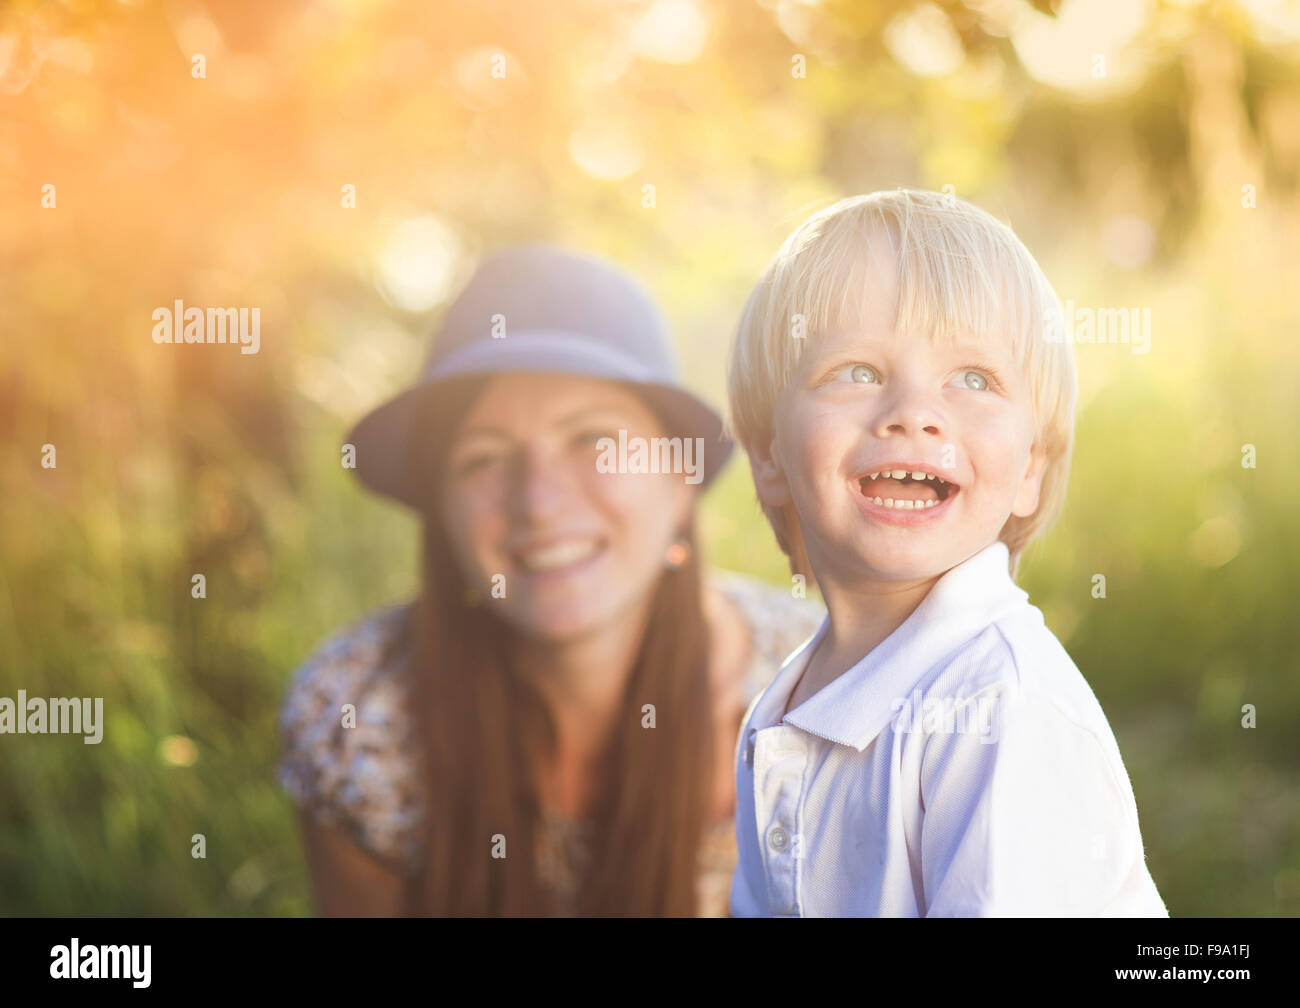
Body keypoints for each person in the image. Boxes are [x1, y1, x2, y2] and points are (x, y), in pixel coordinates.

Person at [276, 243, 825, 916]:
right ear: (441, 507)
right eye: (483, 458)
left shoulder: (826, 695)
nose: (537, 500)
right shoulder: (356, 719)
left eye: (592, 439)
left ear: (680, 481)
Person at [724, 189, 1168, 916]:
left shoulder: (999, 709)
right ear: (769, 453)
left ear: (1030, 468)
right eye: (858, 370)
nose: (914, 414)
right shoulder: (786, 702)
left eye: (974, 379)